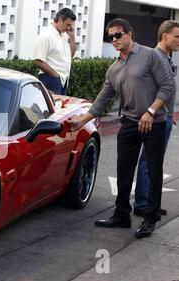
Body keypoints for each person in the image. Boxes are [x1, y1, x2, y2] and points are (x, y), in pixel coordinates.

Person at [67, 18, 174, 239]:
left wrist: (151, 111)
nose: (114, 40)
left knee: (153, 171)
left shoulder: (149, 55)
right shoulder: (114, 69)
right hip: (129, 122)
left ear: (129, 34)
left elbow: (167, 86)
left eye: (117, 35)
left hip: (154, 122)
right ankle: (121, 214)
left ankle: (149, 219)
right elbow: (102, 100)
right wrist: (81, 120)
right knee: (124, 171)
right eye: (110, 37)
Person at [134, 20, 179, 218]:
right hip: (156, 118)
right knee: (148, 162)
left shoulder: (166, 58)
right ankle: (143, 204)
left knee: (155, 162)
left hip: (164, 117)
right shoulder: (156, 57)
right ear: (164, 35)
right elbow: (154, 89)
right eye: (177, 36)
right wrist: (156, 113)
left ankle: (150, 202)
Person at [33, 8, 77, 95]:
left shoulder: (65, 35)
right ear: (60, 20)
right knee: (49, 108)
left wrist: (72, 37)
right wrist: (55, 75)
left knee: (58, 108)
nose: (69, 28)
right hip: (49, 79)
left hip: (63, 81)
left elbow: (71, 54)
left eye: (71, 25)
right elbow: (37, 60)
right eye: (67, 24)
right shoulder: (46, 35)